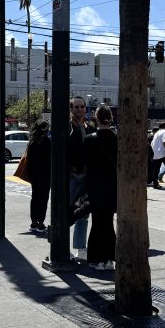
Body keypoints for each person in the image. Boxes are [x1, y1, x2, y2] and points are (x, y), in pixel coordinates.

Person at [82, 105, 117, 270]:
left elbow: (85, 165)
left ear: (96, 118)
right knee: (109, 223)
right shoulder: (118, 139)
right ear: (111, 118)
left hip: (95, 187)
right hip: (112, 187)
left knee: (96, 223)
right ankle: (109, 259)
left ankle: (95, 259)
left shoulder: (89, 139)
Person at [67, 96, 94, 261]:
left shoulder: (90, 127)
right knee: (67, 211)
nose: (79, 109)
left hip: (87, 176)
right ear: (71, 109)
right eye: (76, 107)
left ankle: (80, 248)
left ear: (85, 108)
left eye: (81, 106)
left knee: (83, 214)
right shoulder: (67, 127)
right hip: (72, 176)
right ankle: (62, 244)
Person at [27, 120, 51, 232]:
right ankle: (41, 222)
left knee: (35, 197)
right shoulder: (48, 142)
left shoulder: (32, 143)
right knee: (43, 198)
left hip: (34, 175)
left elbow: (28, 161)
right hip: (45, 175)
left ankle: (33, 222)